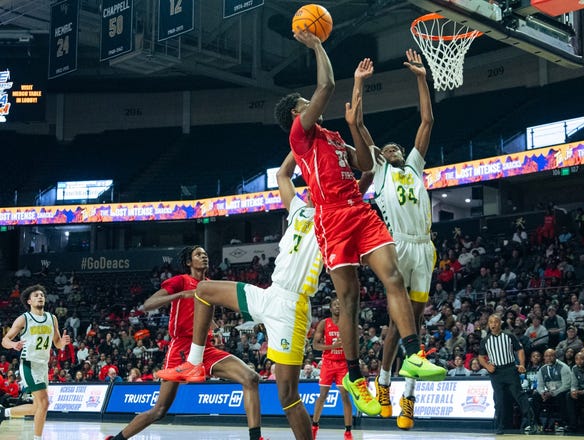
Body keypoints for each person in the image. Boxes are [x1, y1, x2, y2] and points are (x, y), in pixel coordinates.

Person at [273, 30, 446, 416]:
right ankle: (354, 375)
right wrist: (317, 45)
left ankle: (414, 353)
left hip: (358, 209)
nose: (312, 105)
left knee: (394, 279)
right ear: (296, 114)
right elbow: (327, 84)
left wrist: (353, 124)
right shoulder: (300, 135)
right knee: (349, 300)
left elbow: (366, 165)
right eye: (305, 104)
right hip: (331, 219)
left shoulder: (332, 136)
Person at [157, 152, 323, 440]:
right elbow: (283, 175)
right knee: (204, 290)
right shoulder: (298, 208)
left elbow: (361, 184)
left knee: (287, 396)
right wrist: (300, 138)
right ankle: (195, 362)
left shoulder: (332, 217)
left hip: (292, 307)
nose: (312, 191)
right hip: (271, 294)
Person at [350, 48, 436, 430]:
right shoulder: (380, 171)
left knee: (414, 326)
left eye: (396, 148)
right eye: (386, 149)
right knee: (402, 328)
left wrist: (421, 77)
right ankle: (385, 384)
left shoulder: (414, 166)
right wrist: (359, 85)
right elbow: (360, 125)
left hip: (425, 245)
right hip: (398, 243)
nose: (392, 150)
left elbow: (427, 120)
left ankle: (406, 394)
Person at [104, 246, 263, 440]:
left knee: (251, 378)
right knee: (160, 410)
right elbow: (147, 305)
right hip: (181, 349)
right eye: (198, 254)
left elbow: (202, 317)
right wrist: (181, 295)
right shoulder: (181, 281)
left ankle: (256, 438)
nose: (203, 257)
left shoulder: (210, 285)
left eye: (205, 254)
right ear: (189, 262)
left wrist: (215, 328)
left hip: (206, 348)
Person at [0, 284, 71, 438]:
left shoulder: (52, 318)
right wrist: (13, 344)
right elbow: (5, 340)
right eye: (36, 295)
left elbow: (57, 343)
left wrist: (63, 343)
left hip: (43, 366)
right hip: (28, 364)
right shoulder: (24, 319)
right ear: (29, 301)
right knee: (44, 403)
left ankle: (3, 412)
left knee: (37, 407)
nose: (40, 297)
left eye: (42, 295)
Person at [478, 314, 532, 435]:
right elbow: (481, 357)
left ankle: (531, 422)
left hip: (510, 369)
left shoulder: (509, 336)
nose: (493, 324)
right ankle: (499, 426)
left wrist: (522, 364)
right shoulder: (485, 340)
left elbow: (520, 349)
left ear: (500, 323)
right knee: (499, 399)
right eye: (490, 322)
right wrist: (487, 366)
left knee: (519, 395)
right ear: (488, 324)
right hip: (496, 372)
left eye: (495, 322)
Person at [311, 297, 354, 440]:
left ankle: (348, 431)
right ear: (330, 308)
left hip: (343, 364)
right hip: (328, 363)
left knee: (344, 396)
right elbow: (315, 345)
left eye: (339, 304)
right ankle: (314, 426)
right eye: (334, 305)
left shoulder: (347, 323)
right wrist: (332, 347)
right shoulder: (324, 323)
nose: (337, 307)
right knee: (322, 395)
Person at [532, 348, 571, 432]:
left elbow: (566, 386)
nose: (549, 358)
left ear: (555, 356)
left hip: (560, 392)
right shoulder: (542, 369)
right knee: (535, 396)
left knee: (562, 395)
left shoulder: (563, 367)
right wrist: (542, 393)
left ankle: (562, 424)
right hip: (549, 393)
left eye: (551, 356)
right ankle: (536, 424)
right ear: (544, 358)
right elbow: (540, 385)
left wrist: (553, 393)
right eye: (546, 356)